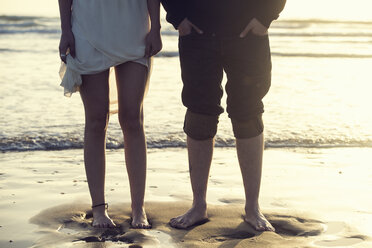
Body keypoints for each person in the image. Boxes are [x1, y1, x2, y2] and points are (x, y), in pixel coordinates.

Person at [161, 0, 286, 231]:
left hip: (248, 30)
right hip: (198, 30)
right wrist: (178, 17)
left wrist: (265, 16)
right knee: (199, 111)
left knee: (247, 112)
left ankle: (252, 207)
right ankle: (198, 206)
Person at [58, 0, 162, 228]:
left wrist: (156, 27)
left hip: (133, 26)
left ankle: (138, 209)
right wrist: (65, 29)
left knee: (132, 119)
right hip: (87, 27)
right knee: (96, 121)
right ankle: (99, 209)